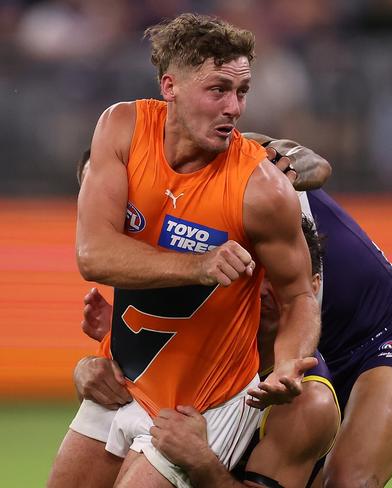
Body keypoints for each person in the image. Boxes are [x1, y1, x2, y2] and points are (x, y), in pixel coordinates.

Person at [74, 133, 392, 487]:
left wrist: (288, 169)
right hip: (295, 349)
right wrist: (91, 366)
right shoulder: (161, 243)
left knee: (348, 480)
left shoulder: (225, 162)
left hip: (384, 335)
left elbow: (317, 166)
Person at [48, 13, 320, 488]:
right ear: (169, 86)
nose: (234, 107)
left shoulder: (261, 190)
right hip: (123, 384)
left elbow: (299, 297)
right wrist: (200, 265)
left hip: (203, 405)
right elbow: (93, 255)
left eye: (242, 92)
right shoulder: (122, 127)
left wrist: (291, 360)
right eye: (218, 90)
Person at [75, 217, 340, 488]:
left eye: (275, 280)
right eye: (252, 276)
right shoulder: (198, 342)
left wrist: (202, 462)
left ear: (312, 285)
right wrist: (90, 370)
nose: (260, 291)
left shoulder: (307, 402)